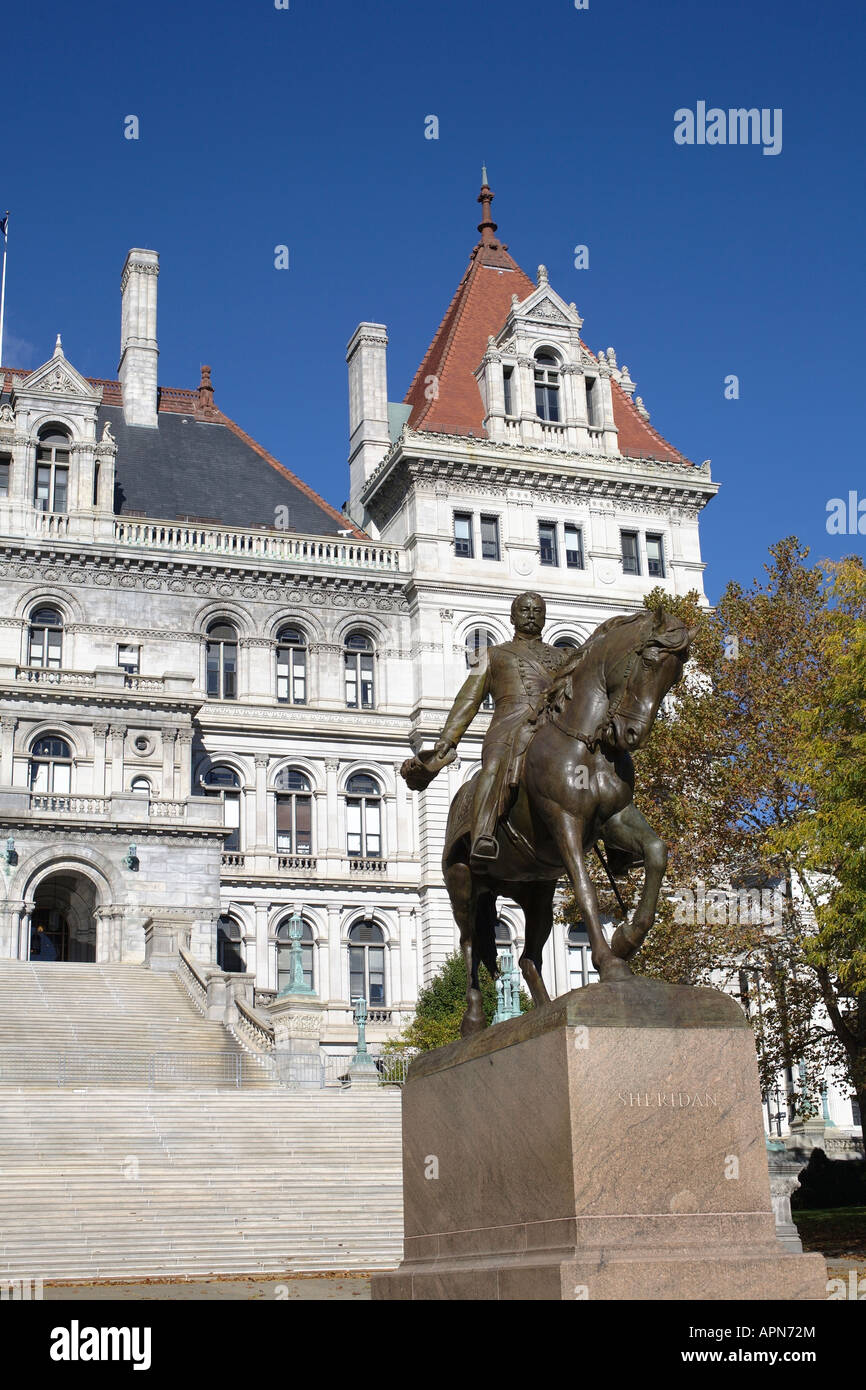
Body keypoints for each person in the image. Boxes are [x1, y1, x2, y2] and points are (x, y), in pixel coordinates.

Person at [433, 591, 574, 867]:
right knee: (494, 767)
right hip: (509, 726)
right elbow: (468, 698)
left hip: (553, 728)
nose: (531, 615)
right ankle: (483, 834)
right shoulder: (488, 655)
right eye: (525, 610)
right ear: (512, 617)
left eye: (537, 610)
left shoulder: (563, 657)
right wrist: (449, 738)